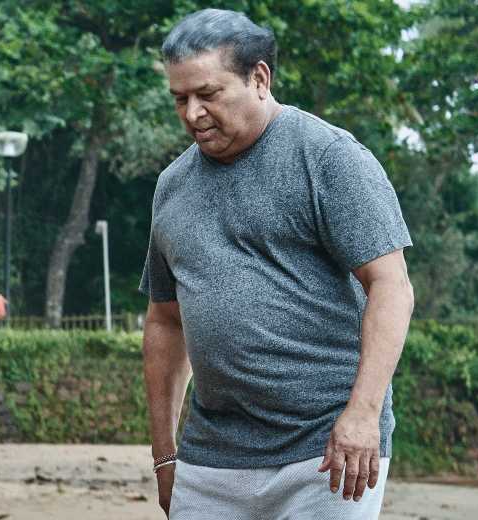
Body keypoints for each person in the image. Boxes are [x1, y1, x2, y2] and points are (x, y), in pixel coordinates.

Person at [139, 9, 414, 519]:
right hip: (212, 456)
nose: (193, 113)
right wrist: (164, 455)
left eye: (209, 94)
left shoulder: (329, 158)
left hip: (327, 451)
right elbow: (164, 319)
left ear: (259, 78)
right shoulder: (171, 188)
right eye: (180, 99)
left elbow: (391, 285)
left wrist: (363, 417)